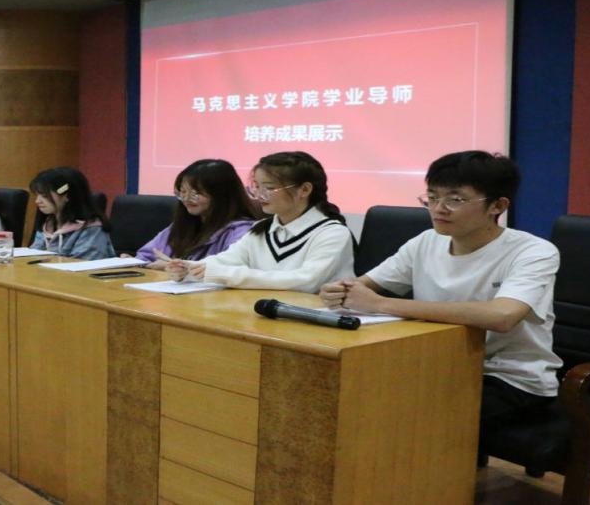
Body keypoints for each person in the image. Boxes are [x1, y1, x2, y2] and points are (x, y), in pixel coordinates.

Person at [319, 150, 561, 453]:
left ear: (498, 206)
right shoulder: (426, 241)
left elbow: (502, 316)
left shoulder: (533, 252)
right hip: (436, 364)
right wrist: (338, 290)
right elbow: (363, 286)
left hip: (510, 379)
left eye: (455, 200)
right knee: (352, 393)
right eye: (432, 198)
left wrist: (380, 304)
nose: (438, 209)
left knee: (398, 416)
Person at [167, 151, 353, 293]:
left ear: (304, 190)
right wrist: (188, 268)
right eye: (256, 187)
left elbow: (305, 281)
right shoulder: (261, 229)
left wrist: (223, 274)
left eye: (269, 188)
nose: (259, 195)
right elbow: (227, 260)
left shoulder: (332, 233)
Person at [135, 159, 260, 270]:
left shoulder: (241, 231)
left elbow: (230, 270)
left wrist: (178, 268)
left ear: (222, 195)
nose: (186, 198)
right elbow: (145, 256)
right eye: (183, 192)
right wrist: (134, 262)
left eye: (195, 193)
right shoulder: (183, 224)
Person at [29, 167, 114, 260]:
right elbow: (32, 256)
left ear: (67, 195)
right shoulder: (47, 225)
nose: (37, 201)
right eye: (37, 195)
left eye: (45, 196)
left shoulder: (92, 228)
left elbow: (83, 264)